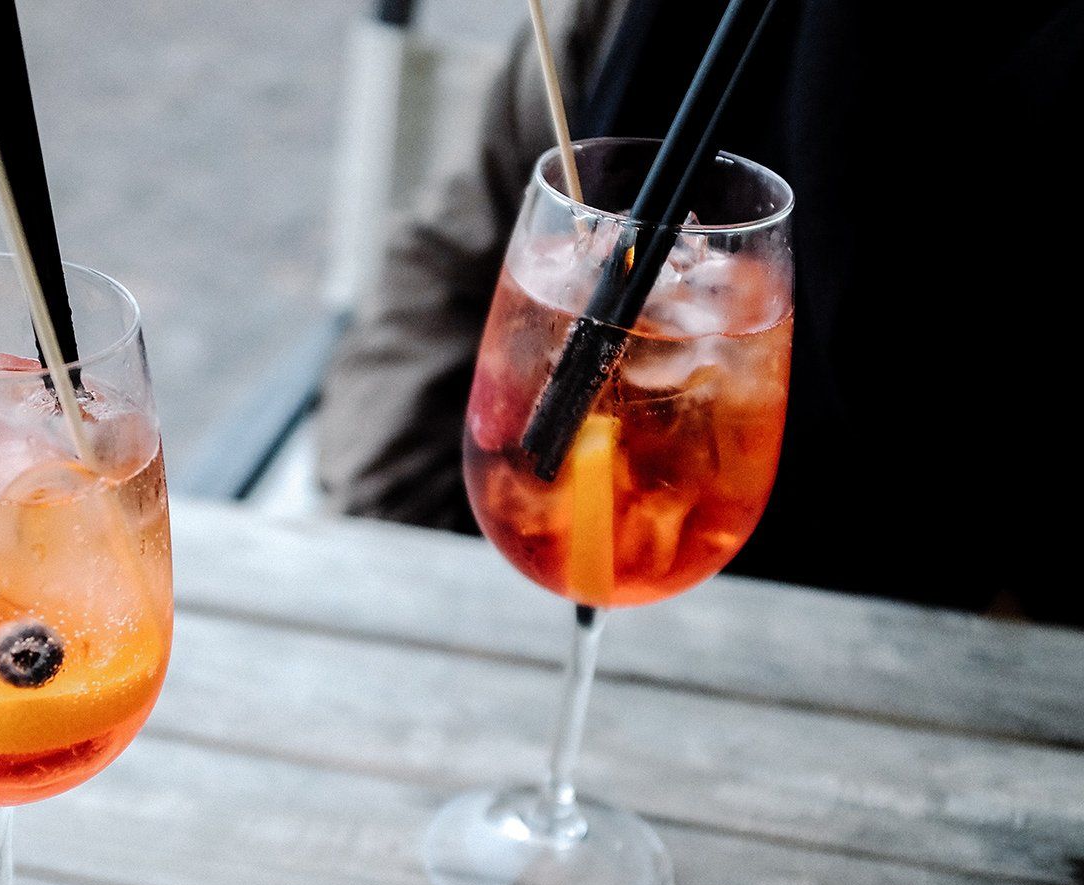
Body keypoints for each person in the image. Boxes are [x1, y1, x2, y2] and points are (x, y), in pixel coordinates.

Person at [318, 0, 1084, 624]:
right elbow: (450, 259)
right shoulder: (626, 17)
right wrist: (411, 566)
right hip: (509, 589)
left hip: (905, 658)